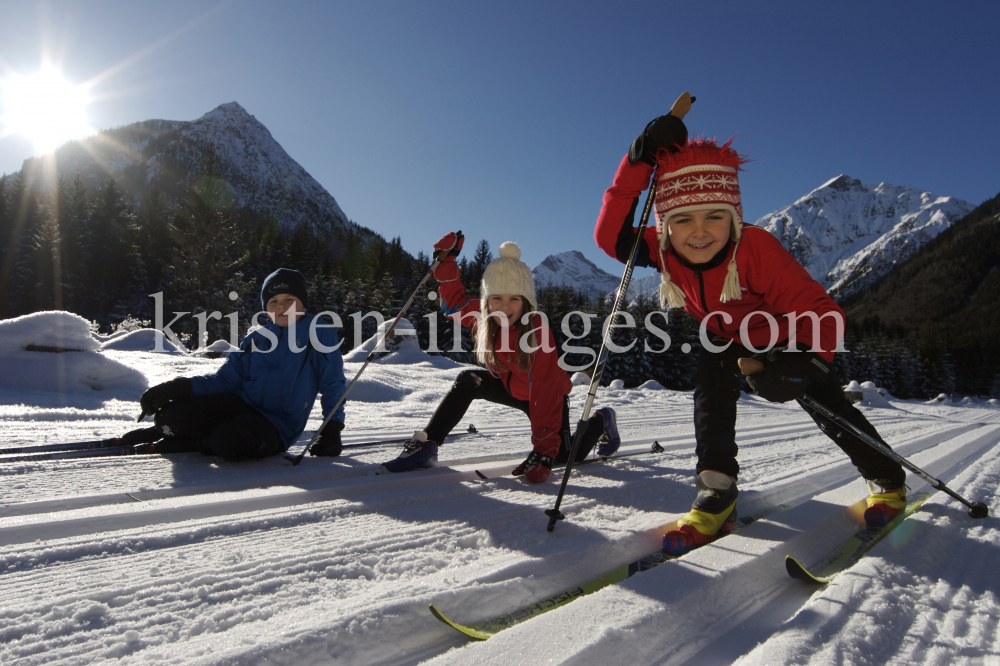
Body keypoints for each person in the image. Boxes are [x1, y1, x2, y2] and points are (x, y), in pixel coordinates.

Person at [594, 93, 907, 555]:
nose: (699, 231)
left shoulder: (755, 248)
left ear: (734, 219)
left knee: (829, 409)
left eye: (714, 217)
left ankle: (887, 480)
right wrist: (638, 160)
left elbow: (820, 311)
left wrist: (805, 360)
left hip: (785, 340)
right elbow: (609, 235)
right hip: (721, 335)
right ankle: (716, 493)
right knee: (710, 400)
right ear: (665, 227)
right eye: (682, 220)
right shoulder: (661, 250)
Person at [378, 237, 620, 483]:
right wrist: (446, 261)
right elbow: (454, 303)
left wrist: (543, 451)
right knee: (468, 379)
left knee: (565, 457)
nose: (504, 307)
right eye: (497, 298)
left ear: (526, 302)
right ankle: (427, 446)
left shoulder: (536, 330)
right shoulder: (485, 317)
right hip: (511, 387)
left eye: (514, 299)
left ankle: (601, 420)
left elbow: (545, 388)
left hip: (547, 395)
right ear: (487, 301)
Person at [121, 268, 347, 459]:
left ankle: (195, 442)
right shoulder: (256, 338)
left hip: (278, 425)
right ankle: (167, 431)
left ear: (303, 304)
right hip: (240, 405)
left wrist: (331, 430)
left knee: (229, 441)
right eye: (274, 301)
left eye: (290, 300)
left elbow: (333, 383)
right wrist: (180, 387)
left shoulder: (318, 332)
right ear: (266, 307)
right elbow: (226, 379)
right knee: (170, 416)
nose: (281, 307)